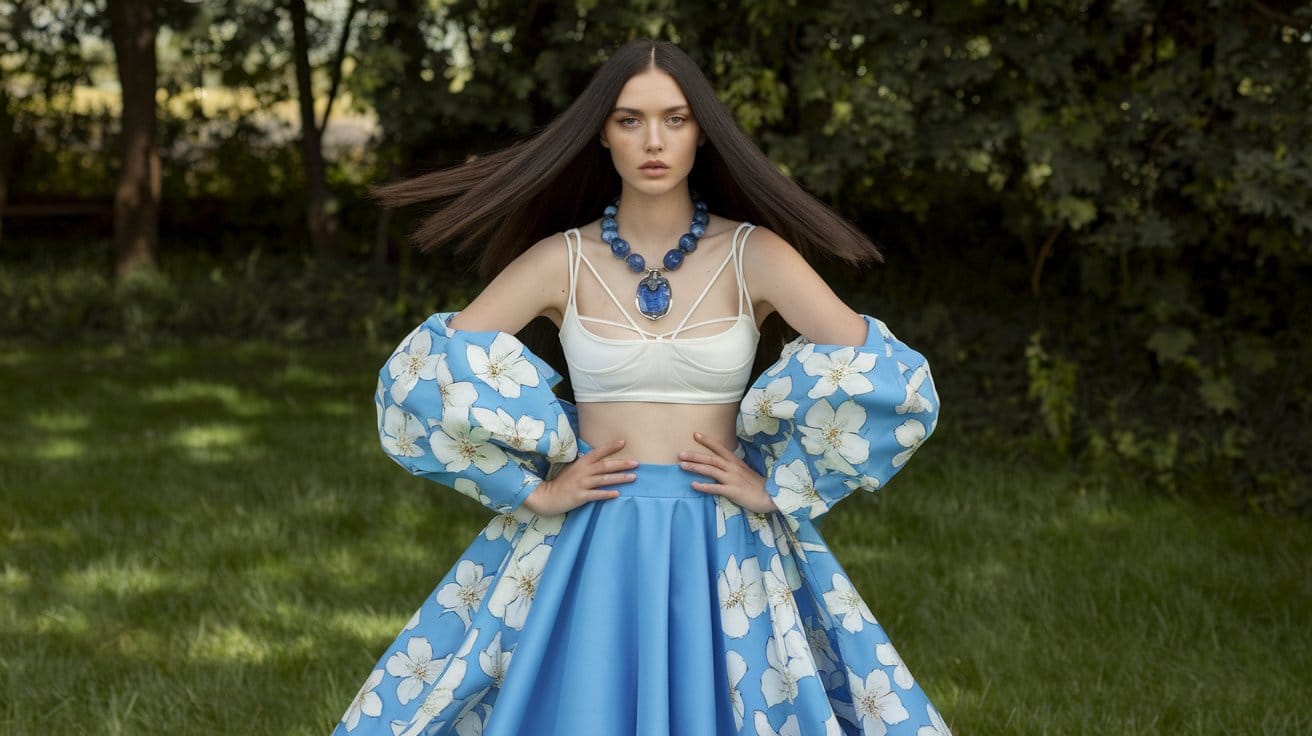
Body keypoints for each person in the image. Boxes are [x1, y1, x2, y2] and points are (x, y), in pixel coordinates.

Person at [332, 39, 948, 736]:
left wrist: (780, 487)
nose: (654, 140)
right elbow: (423, 377)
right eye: (630, 120)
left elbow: (890, 378)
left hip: (726, 540)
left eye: (675, 119)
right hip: (590, 534)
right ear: (602, 132)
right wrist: (533, 491)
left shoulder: (754, 255)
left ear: (702, 131)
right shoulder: (563, 259)